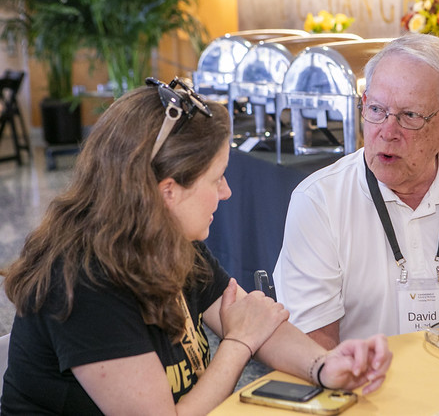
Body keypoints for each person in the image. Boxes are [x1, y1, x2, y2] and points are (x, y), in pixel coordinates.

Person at [0, 78, 392, 415]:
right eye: (216, 178)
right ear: (168, 191)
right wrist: (237, 343)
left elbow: (251, 318)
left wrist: (323, 365)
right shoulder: (84, 283)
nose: (226, 192)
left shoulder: (168, 240)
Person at [273, 34, 439, 350]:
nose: (387, 132)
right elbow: (313, 348)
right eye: (376, 109)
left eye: (410, 115)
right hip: (367, 380)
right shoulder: (319, 201)